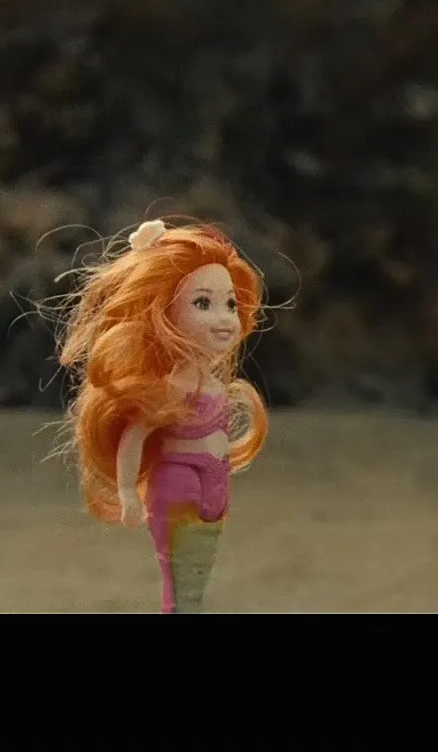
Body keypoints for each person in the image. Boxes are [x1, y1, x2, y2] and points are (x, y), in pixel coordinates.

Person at [52, 218, 271, 613]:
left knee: (196, 581)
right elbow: (135, 435)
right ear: (164, 314)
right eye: (202, 303)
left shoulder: (215, 386)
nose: (224, 318)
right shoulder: (170, 388)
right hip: (179, 482)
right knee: (182, 584)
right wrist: (127, 492)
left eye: (230, 304)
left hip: (215, 483)